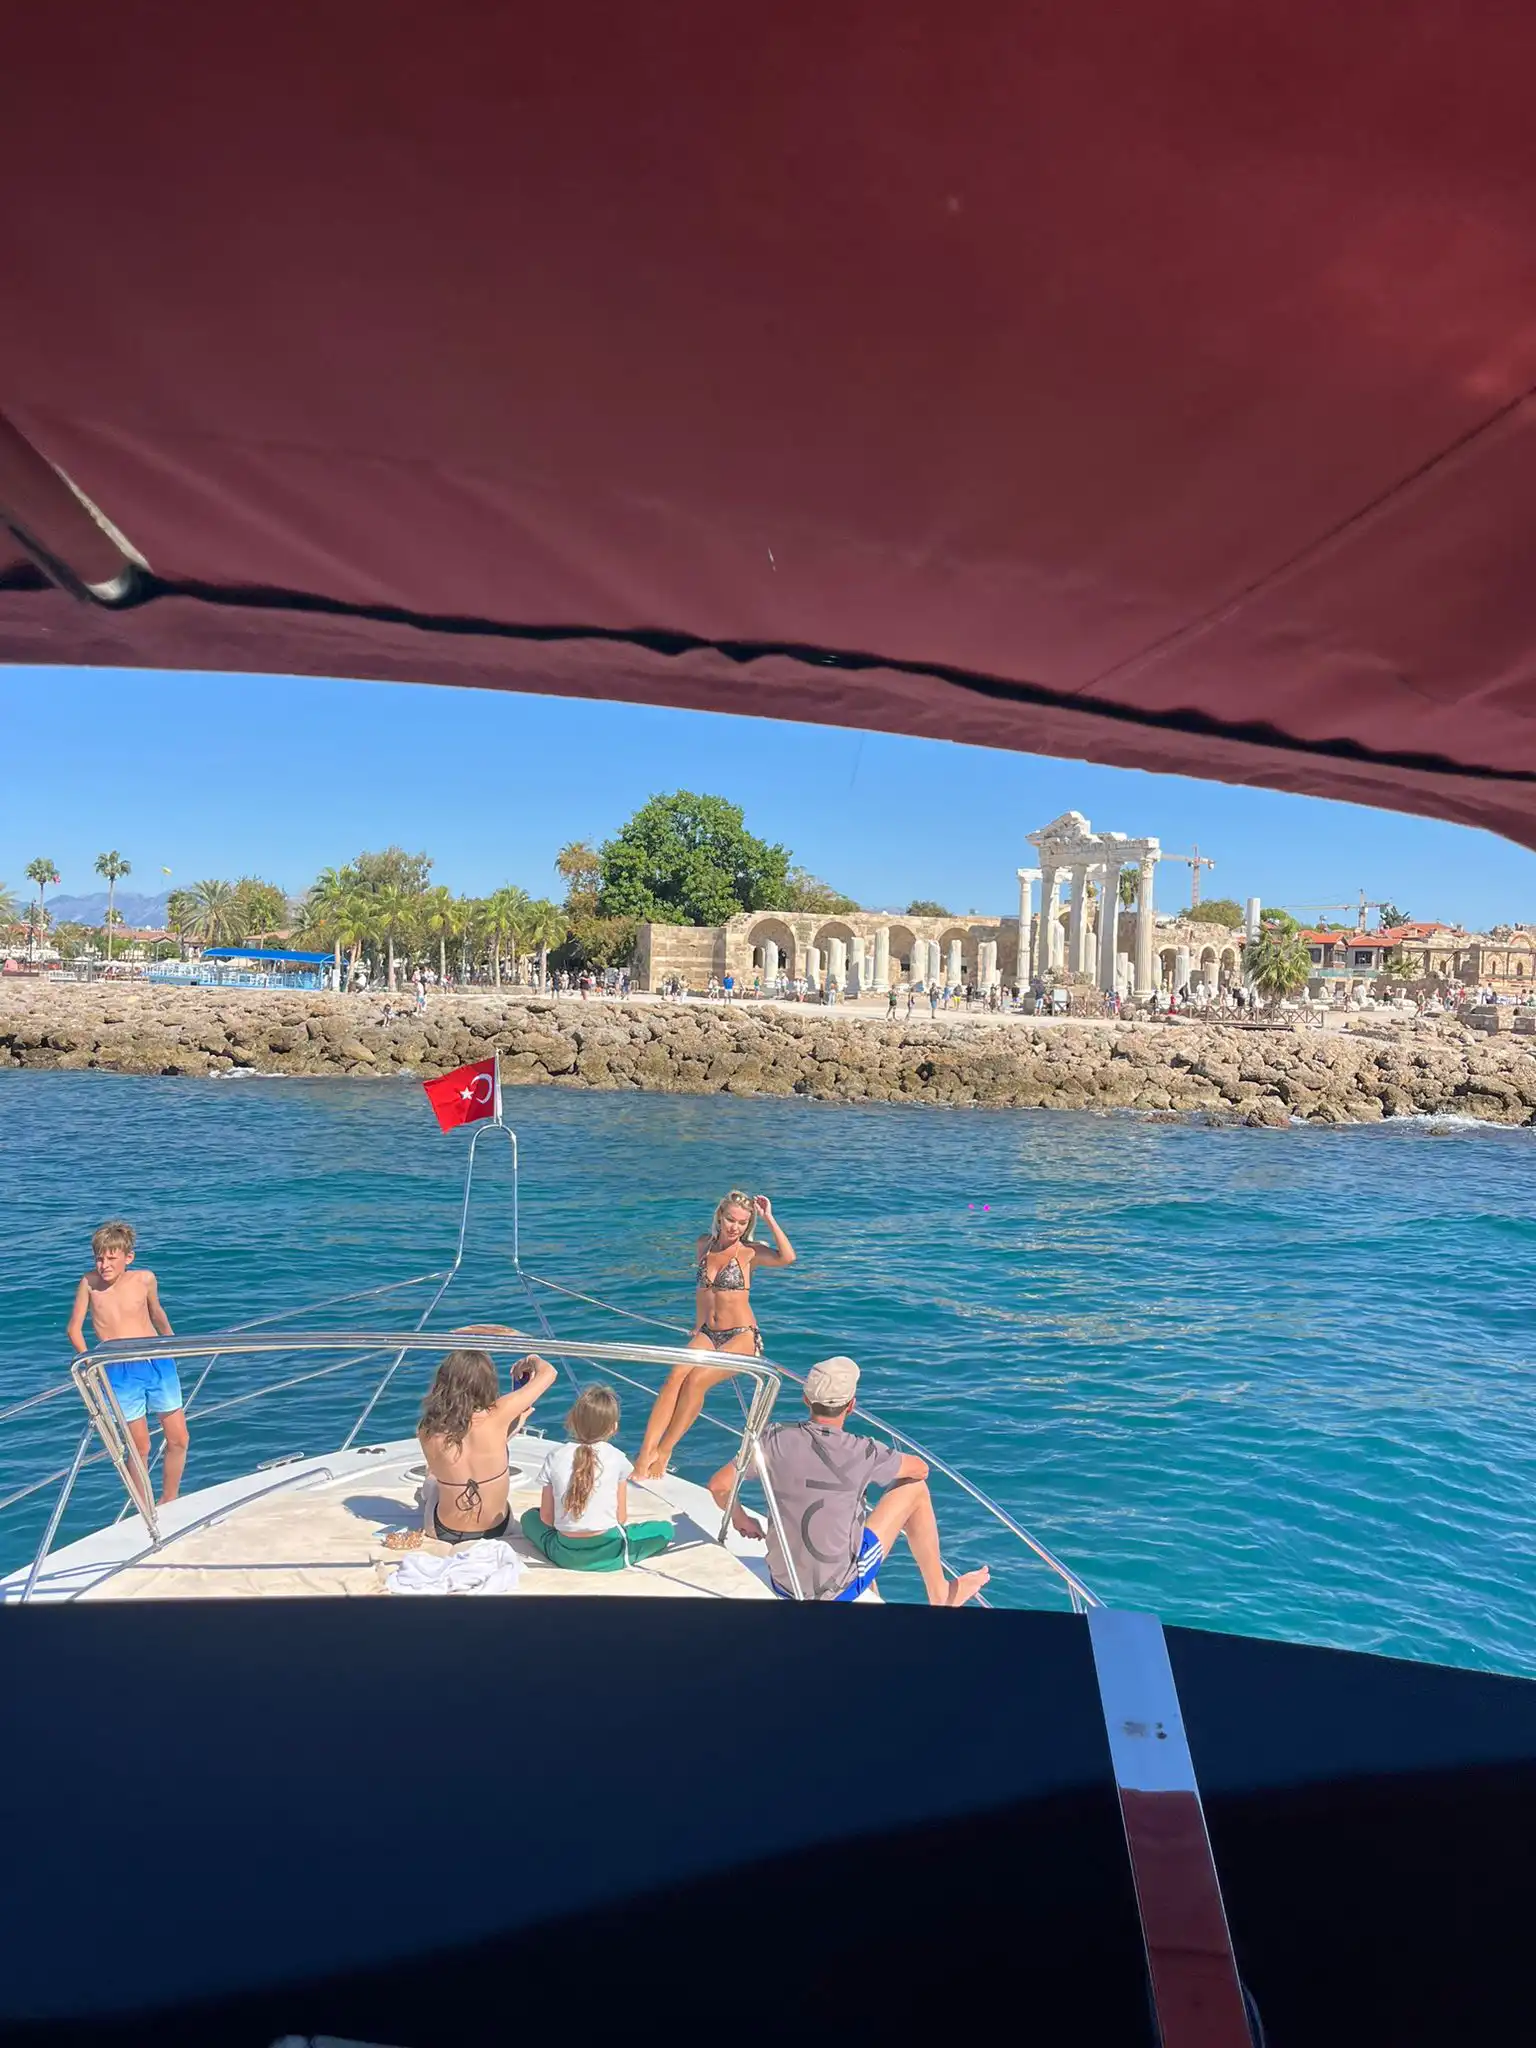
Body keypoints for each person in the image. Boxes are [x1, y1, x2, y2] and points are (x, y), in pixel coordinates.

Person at [707, 1355, 989, 1606]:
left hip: (782, 1583)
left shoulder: (772, 1438)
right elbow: (921, 1470)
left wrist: (741, 1520)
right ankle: (940, 1594)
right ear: (851, 1406)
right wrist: (880, 1464)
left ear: (806, 1400)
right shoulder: (864, 1451)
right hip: (835, 1592)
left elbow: (719, 1486)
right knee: (915, 1489)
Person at [632, 1190, 797, 1478]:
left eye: (743, 1223)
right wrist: (698, 1324)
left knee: (695, 1381)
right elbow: (702, 1292)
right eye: (731, 1219)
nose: (735, 1227)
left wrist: (769, 1218)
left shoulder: (750, 1252)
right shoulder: (703, 1245)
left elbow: (788, 1257)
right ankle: (646, 1452)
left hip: (741, 1336)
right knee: (674, 1376)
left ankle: (665, 1449)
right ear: (720, 1216)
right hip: (709, 1332)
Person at [67, 1220, 190, 1505]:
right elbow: (74, 1329)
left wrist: (172, 1342)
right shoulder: (89, 1284)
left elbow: (156, 1313)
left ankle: (169, 1499)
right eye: (99, 1259)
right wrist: (91, 1364)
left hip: (156, 1361)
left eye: (111, 1258)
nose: (104, 1265)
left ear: (128, 1257)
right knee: (139, 1446)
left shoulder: (145, 1279)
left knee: (179, 1438)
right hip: (117, 1368)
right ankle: (145, 1508)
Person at [520, 1385, 673, 1572]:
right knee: (665, 1530)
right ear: (613, 1428)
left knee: (529, 1517)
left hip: (564, 1554)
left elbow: (546, 1517)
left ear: (572, 1421)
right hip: (612, 1554)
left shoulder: (555, 1456)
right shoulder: (617, 1458)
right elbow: (620, 1518)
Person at [417, 1341, 558, 1543]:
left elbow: (462, 1449)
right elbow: (549, 1373)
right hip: (497, 1528)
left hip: (443, 1530)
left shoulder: (426, 1430)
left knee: (433, 1478)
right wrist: (531, 1359)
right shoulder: (499, 1414)